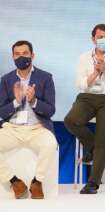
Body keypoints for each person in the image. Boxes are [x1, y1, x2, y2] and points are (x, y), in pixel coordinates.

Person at [64, 24, 105, 194]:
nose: (104, 40)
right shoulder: (84, 57)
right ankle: (90, 145)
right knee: (71, 120)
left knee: (102, 140)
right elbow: (81, 84)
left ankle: (93, 183)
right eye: (100, 37)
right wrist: (94, 73)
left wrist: (104, 69)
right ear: (93, 39)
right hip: (88, 96)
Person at [0, 40, 57, 199]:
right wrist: (16, 102)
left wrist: (33, 101)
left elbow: (51, 110)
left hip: (37, 128)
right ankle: (14, 181)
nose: (21, 57)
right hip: (12, 129)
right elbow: (1, 111)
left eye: (25, 53)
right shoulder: (6, 79)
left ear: (32, 55)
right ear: (12, 57)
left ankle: (37, 182)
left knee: (50, 144)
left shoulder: (45, 78)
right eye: (17, 54)